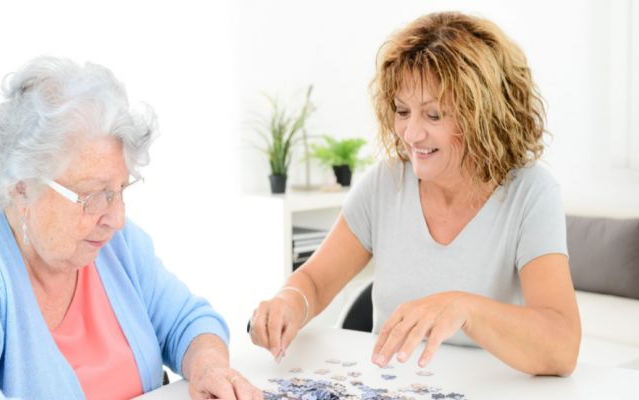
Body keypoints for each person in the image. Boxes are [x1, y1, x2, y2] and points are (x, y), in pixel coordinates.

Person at [0, 57, 261, 400]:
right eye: (93, 195)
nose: (116, 218)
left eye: (119, 190)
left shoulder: (116, 244)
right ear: (22, 186)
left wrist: (209, 368)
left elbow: (189, 320)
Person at [249, 11, 581, 377]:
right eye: (403, 111)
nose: (411, 134)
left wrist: (462, 308)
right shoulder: (385, 183)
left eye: (434, 115)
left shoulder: (531, 194)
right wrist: (289, 302)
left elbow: (562, 347)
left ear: (485, 116)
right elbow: (314, 281)